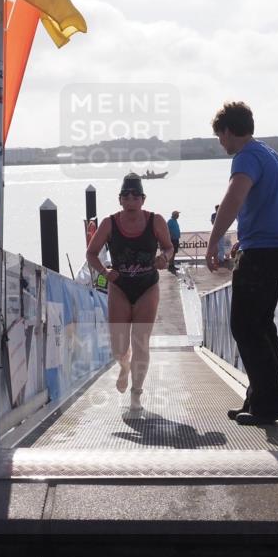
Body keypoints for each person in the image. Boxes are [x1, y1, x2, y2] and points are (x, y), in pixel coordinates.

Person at [207, 101, 278, 426]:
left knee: (244, 326)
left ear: (229, 131)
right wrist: (243, 240)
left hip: (263, 253)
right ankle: (260, 398)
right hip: (275, 248)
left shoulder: (246, 157)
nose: (221, 143)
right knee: (261, 325)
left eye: (220, 137)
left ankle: (271, 403)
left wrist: (214, 240)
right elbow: (266, 204)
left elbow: (235, 197)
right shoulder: (269, 154)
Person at [86, 173, 174, 411]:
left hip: (148, 286)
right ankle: (124, 367)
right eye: (126, 195)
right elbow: (91, 254)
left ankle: (136, 394)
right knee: (119, 346)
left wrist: (165, 257)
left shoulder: (156, 220)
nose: (131, 199)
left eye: (136, 195)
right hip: (120, 287)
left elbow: (168, 247)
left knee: (141, 342)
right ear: (120, 200)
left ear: (143, 199)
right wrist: (105, 272)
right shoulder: (109, 223)